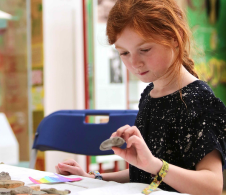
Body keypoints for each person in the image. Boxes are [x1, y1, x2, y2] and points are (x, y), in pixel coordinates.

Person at [55, 0, 226, 194]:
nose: (134, 62)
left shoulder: (199, 100)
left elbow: (212, 185)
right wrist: (93, 177)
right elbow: (145, 173)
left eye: (144, 50)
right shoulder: (150, 94)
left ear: (175, 38)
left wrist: (154, 165)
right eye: (124, 53)